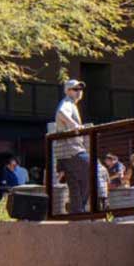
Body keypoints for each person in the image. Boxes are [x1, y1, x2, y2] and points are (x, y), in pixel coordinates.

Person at [48, 77, 92, 215]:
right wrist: (74, 125)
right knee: (94, 171)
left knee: (74, 183)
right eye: (75, 89)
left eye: (80, 89)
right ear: (68, 91)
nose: (79, 92)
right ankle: (79, 208)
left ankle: (76, 211)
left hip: (65, 154)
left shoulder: (72, 104)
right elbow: (61, 112)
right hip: (72, 150)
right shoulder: (67, 102)